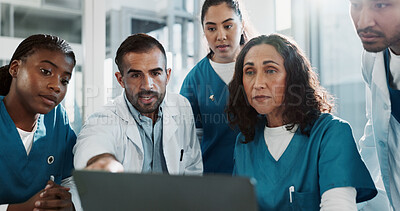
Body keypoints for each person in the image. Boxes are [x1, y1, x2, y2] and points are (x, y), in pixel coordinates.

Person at [226, 34, 377, 210]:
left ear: (293, 78)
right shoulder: (245, 142)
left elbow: (338, 206)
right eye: (250, 72)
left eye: (270, 70)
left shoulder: (331, 133)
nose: (258, 83)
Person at [73, 33, 202, 175]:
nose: (147, 86)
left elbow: (193, 166)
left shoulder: (181, 106)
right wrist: (103, 161)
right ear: (120, 79)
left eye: (155, 73)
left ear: (167, 75)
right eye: (136, 75)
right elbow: (92, 145)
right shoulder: (104, 118)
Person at [0, 34, 79, 210]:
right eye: (45, 72)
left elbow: (70, 176)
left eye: (64, 80)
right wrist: (16, 209)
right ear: (15, 68)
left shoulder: (57, 118)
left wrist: (67, 202)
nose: (56, 86)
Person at [180, 0, 253, 174]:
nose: (220, 36)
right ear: (204, 31)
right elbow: (188, 144)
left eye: (228, 26)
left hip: (261, 178)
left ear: (241, 25)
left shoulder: (259, 69)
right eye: (211, 28)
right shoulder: (195, 80)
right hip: (213, 179)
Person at [349, 0, 400, 210]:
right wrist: (353, 193)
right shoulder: (372, 58)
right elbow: (376, 132)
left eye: (381, 5)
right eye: (356, 4)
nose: (363, 21)